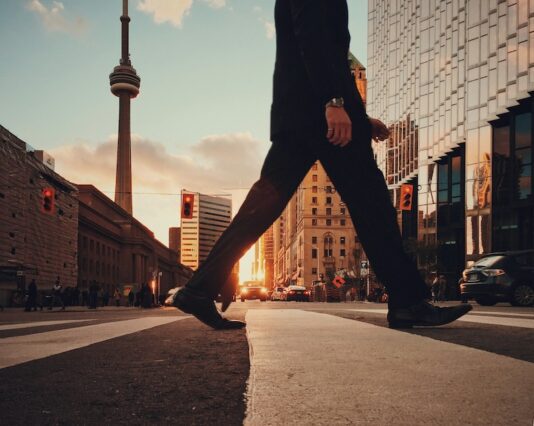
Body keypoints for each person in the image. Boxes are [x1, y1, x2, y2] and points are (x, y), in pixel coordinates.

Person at [173, 0, 471, 329]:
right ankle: (408, 302)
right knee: (374, 207)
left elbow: (327, 54)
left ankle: (199, 289)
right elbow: (312, 37)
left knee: (261, 207)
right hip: (319, 117)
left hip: (302, 116)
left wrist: (359, 117)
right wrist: (333, 102)